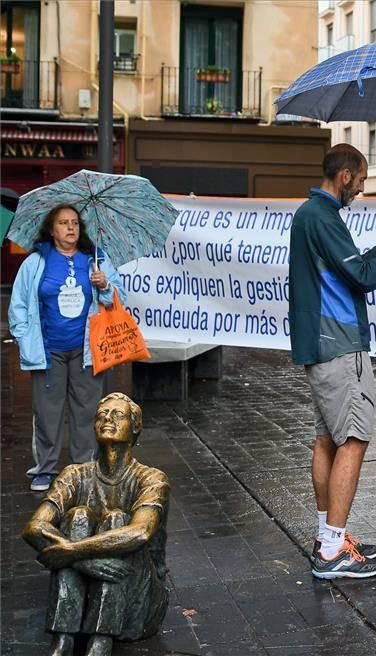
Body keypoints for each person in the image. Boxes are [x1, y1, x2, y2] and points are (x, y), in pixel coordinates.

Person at [289, 143, 376, 579]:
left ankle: (327, 535)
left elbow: (350, 268)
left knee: (328, 438)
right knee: (354, 439)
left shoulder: (311, 216)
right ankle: (332, 549)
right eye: (361, 182)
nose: (360, 191)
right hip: (340, 344)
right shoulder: (322, 217)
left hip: (322, 344)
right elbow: (362, 277)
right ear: (345, 176)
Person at [22, 393, 170, 656]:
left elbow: (141, 532)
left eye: (118, 415)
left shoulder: (151, 479)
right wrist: (84, 560)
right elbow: (34, 527)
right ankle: (64, 637)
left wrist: (70, 552)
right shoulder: (75, 474)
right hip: (86, 589)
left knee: (117, 519)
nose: (107, 419)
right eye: (101, 415)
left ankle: (100, 641)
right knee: (78, 515)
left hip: (137, 596)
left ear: (136, 427)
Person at [8, 203, 126, 493]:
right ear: (51, 229)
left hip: (86, 349)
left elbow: (118, 298)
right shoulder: (35, 262)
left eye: (74, 222)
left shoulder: (95, 259)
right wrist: (24, 338)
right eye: (63, 223)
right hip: (48, 351)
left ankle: (83, 467)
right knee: (47, 411)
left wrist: (104, 284)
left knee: (86, 411)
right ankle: (45, 469)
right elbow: (18, 305)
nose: (71, 227)